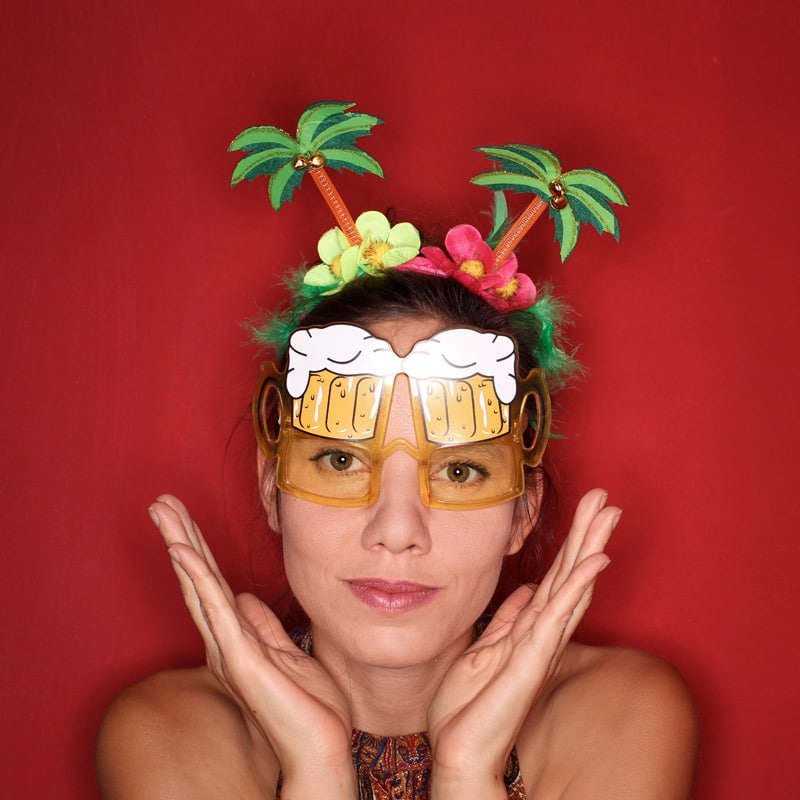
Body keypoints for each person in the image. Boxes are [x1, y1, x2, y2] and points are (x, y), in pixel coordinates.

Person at [96, 108, 699, 797]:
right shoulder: (168, 735)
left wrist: (468, 772)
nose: (397, 533)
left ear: (523, 512)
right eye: (342, 460)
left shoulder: (620, 715)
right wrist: (317, 767)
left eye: (462, 469)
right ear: (272, 488)